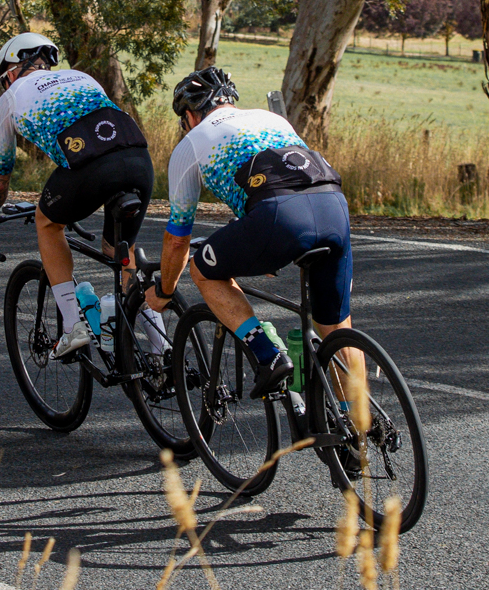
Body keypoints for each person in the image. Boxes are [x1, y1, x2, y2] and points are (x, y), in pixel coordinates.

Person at [143, 66, 353, 394]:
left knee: (202, 270)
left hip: (279, 217)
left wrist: (165, 291)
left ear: (189, 115)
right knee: (337, 330)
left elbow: (177, 239)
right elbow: (286, 177)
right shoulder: (272, 119)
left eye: (182, 121)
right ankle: (357, 419)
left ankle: (268, 355)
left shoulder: (191, 143)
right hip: (334, 207)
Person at [0, 32, 164, 358]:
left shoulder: (9, 99)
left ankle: (74, 325)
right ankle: (162, 348)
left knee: (47, 222)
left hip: (91, 167)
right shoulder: (81, 77)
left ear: (11, 72)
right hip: (139, 160)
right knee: (119, 249)